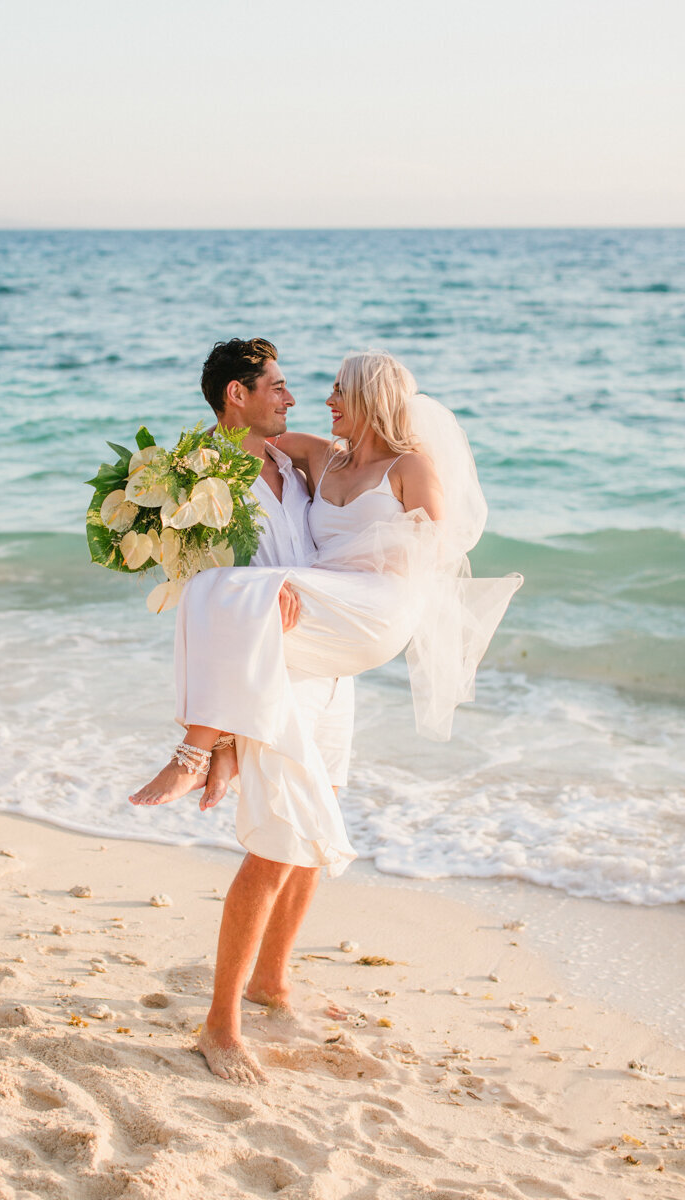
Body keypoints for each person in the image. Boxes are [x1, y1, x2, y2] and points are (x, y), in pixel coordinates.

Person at [132, 348, 522, 1083]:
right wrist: (167, 476)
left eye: (336, 393)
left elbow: (442, 554)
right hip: (312, 639)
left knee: (294, 822)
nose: (320, 402)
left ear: (370, 397)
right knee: (302, 824)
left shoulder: (409, 467)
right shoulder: (320, 458)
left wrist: (309, 579)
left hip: (364, 612)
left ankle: (209, 745)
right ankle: (238, 1007)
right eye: (285, 388)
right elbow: (240, 443)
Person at [132, 338, 356, 1084]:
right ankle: (220, 1023)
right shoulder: (200, 476)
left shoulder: (291, 466)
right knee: (274, 843)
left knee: (314, 831)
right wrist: (221, 728)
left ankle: (273, 981)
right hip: (268, 675)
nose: (289, 399)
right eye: (278, 387)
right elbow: (204, 590)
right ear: (237, 393)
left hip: (324, 668)